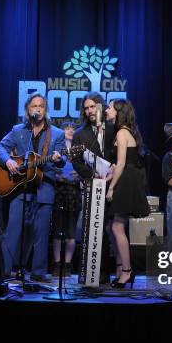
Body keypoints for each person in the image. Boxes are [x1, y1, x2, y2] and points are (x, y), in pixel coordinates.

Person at [0, 93, 65, 283]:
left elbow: (63, 159)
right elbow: (0, 147)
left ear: (46, 109)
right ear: (28, 110)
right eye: (34, 106)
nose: (38, 109)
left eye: (41, 106)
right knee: (13, 230)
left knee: (41, 232)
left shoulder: (56, 134)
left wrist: (59, 159)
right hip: (20, 187)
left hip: (45, 188)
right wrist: (8, 160)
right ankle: (4, 269)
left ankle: (38, 271)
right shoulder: (18, 130)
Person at [104, 99, 150, 288]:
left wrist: (112, 187)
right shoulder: (122, 131)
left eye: (109, 107)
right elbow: (118, 163)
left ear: (118, 111)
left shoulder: (122, 132)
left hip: (127, 181)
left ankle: (127, 271)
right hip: (126, 178)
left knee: (116, 227)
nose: (106, 109)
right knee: (111, 227)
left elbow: (122, 163)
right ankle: (123, 267)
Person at [71, 92, 115, 284]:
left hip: (114, 184)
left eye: (92, 107)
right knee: (92, 229)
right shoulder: (80, 133)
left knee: (113, 229)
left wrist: (112, 171)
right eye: (86, 108)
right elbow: (75, 160)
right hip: (93, 187)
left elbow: (121, 155)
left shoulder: (114, 128)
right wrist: (91, 175)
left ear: (101, 107)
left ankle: (109, 272)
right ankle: (90, 273)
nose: (89, 111)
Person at [50, 122, 82, 277]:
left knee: (71, 232)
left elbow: (89, 169)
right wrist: (57, 174)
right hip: (58, 192)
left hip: (74, 193)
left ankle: (68, 265)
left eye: (73, 129)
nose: (70, 130)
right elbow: (49, 168)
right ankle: (56, 264)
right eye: (67, 128)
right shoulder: (56, 150)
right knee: (57, 231)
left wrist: (81, 175)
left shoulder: (80, 151)